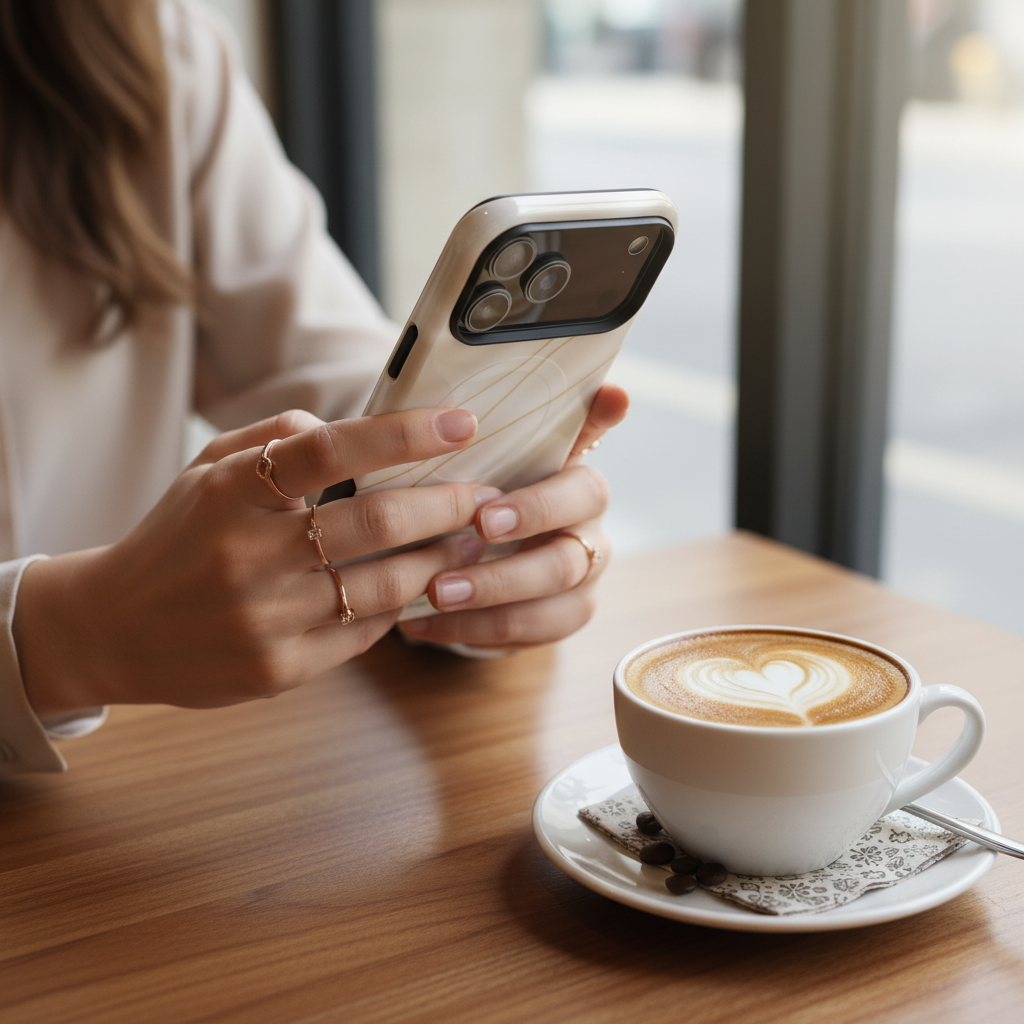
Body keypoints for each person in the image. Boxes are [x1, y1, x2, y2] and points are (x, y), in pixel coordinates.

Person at [0, 0, 626, 774]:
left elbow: (325, 365)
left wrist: (486, 513)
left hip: (132, 780)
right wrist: (60, 636)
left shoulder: (146, 44)